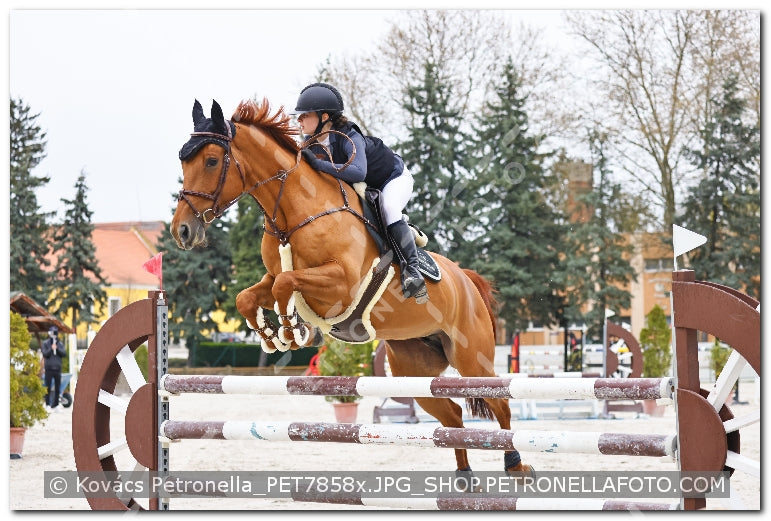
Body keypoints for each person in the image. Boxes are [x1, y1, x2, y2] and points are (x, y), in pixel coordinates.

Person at [293, 82, 427, 303]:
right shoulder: (309, 144)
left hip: (392, 178)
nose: (299, 120)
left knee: (389, 208)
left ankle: (413, 272)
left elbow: (357, 172)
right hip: (366, 187)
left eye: (304, 115)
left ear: (324, 116)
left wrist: (319, 165)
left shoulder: (349, 135)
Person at [41, 326, 66, 411]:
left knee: (57, 387)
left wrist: (57, 348)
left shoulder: (60, 343)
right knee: (47, 386)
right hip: (49, 368)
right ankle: (47, 404)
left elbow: (63, 353)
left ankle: (56, 405)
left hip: (57, 368)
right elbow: (45, 354)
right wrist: (51, 349)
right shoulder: (46, 343)